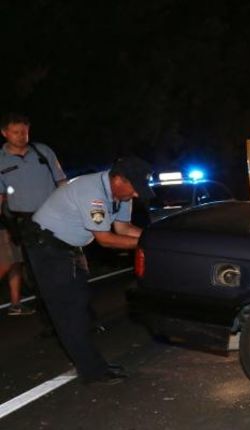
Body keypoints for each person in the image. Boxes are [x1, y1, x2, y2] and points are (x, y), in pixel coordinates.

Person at [20, 156, 154, 385]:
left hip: (70, 247)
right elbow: (106, 239)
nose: (136, 195)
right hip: (47, 247)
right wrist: (150, 244)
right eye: (134, 189)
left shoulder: (120, 193)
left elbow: (123, 228)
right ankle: (93, 370)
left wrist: (154, 236)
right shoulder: (91, 191)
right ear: (119, 179)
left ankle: (89, 361)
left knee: (80, 304)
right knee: (69, 310)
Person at [0, 113, 67, 316]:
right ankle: (50, 318)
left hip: (53, 217)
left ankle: (76, 313)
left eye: (25, 132)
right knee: (37, 273)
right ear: (4, 133)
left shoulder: (43, 151)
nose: (21, 136)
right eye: (16, 132)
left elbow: (62, 182)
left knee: (64, 266)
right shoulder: (0, 160)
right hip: (25, 222)